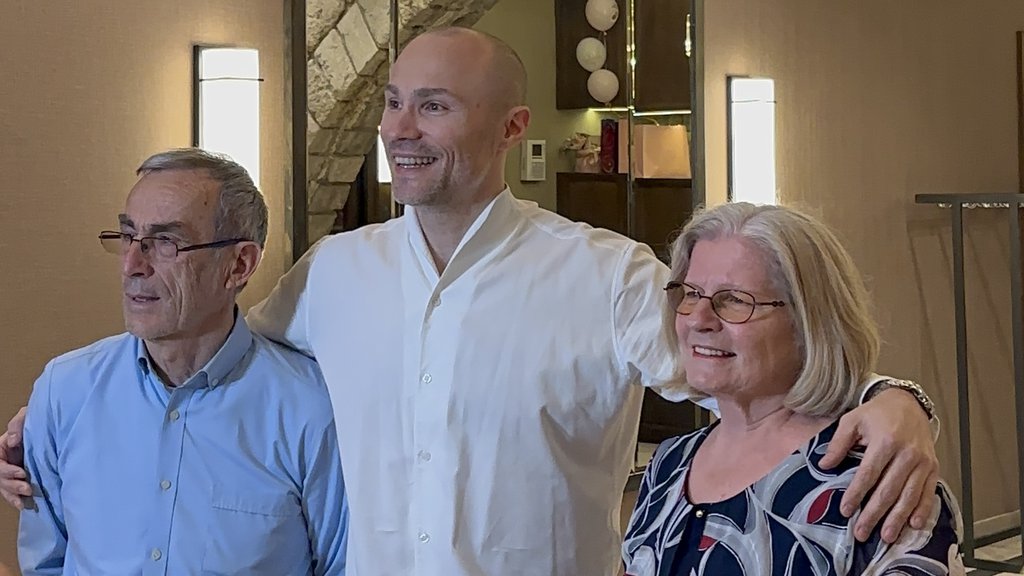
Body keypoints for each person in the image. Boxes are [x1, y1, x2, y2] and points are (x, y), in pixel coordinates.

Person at [3, 28, 937, 575]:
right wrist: (54, 416)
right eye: (393, 102)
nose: (399, 130)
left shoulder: (603, 275)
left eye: (435, 106)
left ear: (512, 128)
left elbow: (750, 364)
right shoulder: (333, 274)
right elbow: (216, 357)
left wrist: (894, 399)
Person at [16, 149, 348, 575]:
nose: (133, 265)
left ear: (239, 264)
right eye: (128, 236)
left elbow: (344, 565)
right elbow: (45, 564)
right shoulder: (64, 391)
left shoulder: (309, 409)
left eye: (166, 243)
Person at [622, 202, 963, 575]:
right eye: (690, 294)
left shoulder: (877, 478)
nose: (699, 319)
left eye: (734, 300)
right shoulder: (669, 463)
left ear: (808, 322)